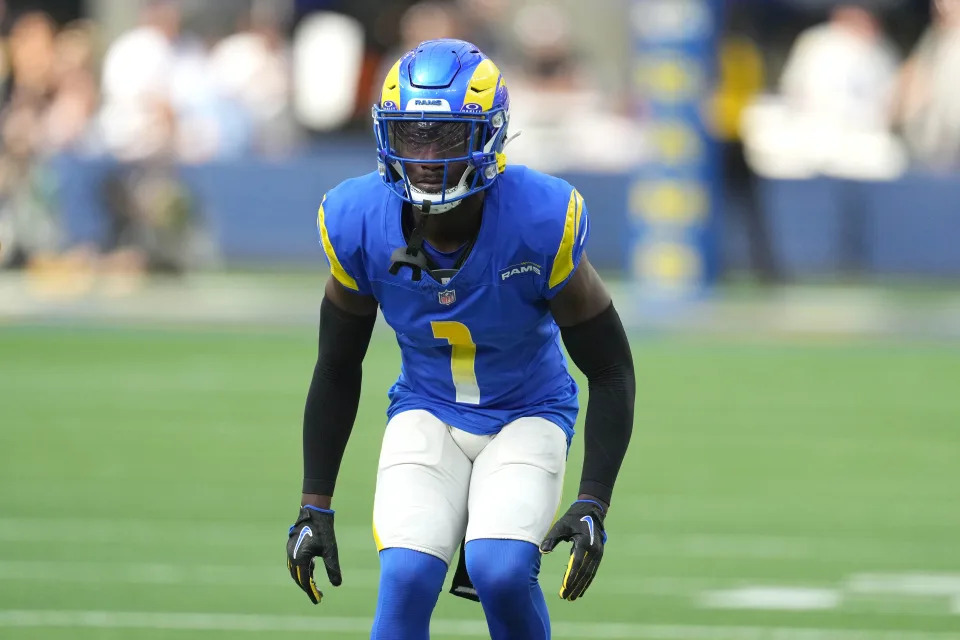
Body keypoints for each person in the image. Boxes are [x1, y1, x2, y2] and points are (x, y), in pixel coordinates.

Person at [285, 39, 635, 640]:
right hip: (427, 410)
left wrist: (594, 500)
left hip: (527, 413)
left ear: (488, 134)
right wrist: (314, 499)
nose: (424, 156)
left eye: (445, 136)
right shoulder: (357, 219)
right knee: (406, 578)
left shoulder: (539, 219)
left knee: (500, 571)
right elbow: (337, 365)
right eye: (411, 134)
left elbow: (609, 369)